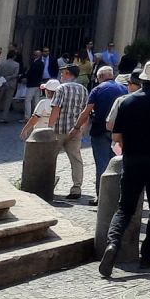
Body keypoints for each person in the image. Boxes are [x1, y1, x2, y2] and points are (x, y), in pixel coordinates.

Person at [99, 62, 150, 278]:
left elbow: (116, 136)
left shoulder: (127, 101)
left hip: (132, 159)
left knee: (124, 208)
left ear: (141, 79)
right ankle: (148, 255)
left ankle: (112, 245)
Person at [80, 65, 127, 193]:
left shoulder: (97, 89)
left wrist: (77, 127)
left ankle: (101, 196)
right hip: (118, 132)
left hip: (99, 130)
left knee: (102, 164)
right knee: (118, 163)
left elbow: (86, 111)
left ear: (100, 77)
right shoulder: (124, 89)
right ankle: (116, 194)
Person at [53, 64, 89, 200]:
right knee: (76, 159)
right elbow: (86, 111)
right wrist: (83, 128)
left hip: (59, 129)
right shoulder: (83, 90)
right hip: (75, 129)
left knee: (50, 158)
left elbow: (56, 109)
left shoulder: (61, 88)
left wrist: (49, 126)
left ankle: (47, 184)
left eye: (62, 73)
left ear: (67, 73)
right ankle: (76, 188)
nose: (61, 75)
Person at [0, 47, 21, 123]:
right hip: (11, 84)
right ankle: (4, 117)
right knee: (7, 101)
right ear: (14, 56)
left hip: (1, 82)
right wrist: (8, 78)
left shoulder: (1, 63)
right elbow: (15, 74)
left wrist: (2, 79)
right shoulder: (16, 64)